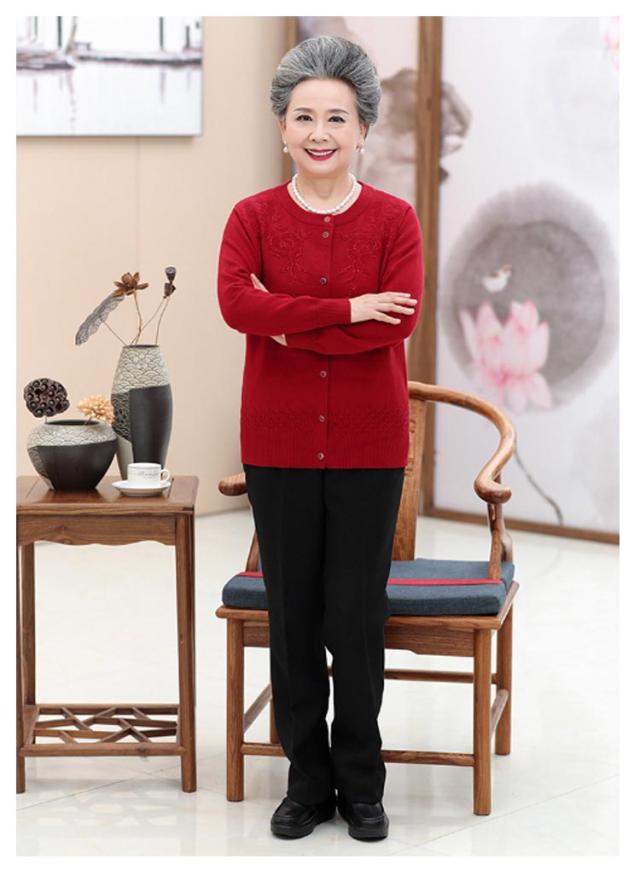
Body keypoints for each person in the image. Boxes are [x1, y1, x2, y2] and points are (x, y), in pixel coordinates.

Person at [217, 34, 424, 841]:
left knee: (356, 618)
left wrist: (287, 322)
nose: (319, 133)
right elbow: (238, 305)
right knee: (294, 616)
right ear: (282, 128)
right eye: (303, 116)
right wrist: (345, 311)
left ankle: (362, 783)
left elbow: (394, 321)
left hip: (371, 446)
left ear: (364, 128)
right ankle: (305, 782)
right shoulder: (252, 218)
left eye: (337, 117)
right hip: (277, 444)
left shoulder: (395, 220)